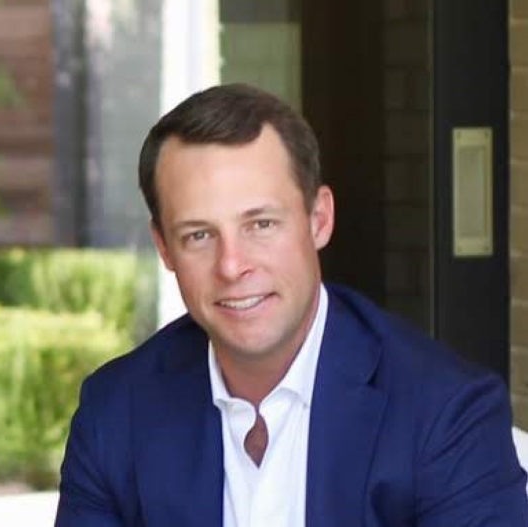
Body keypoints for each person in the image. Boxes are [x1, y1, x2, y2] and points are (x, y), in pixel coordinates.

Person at [55, 83, 528, 525]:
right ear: (164, 248)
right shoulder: (115, 413)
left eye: (260, 224)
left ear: (319, 220)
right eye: (199, 235)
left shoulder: (446, 412)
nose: (232, 265)